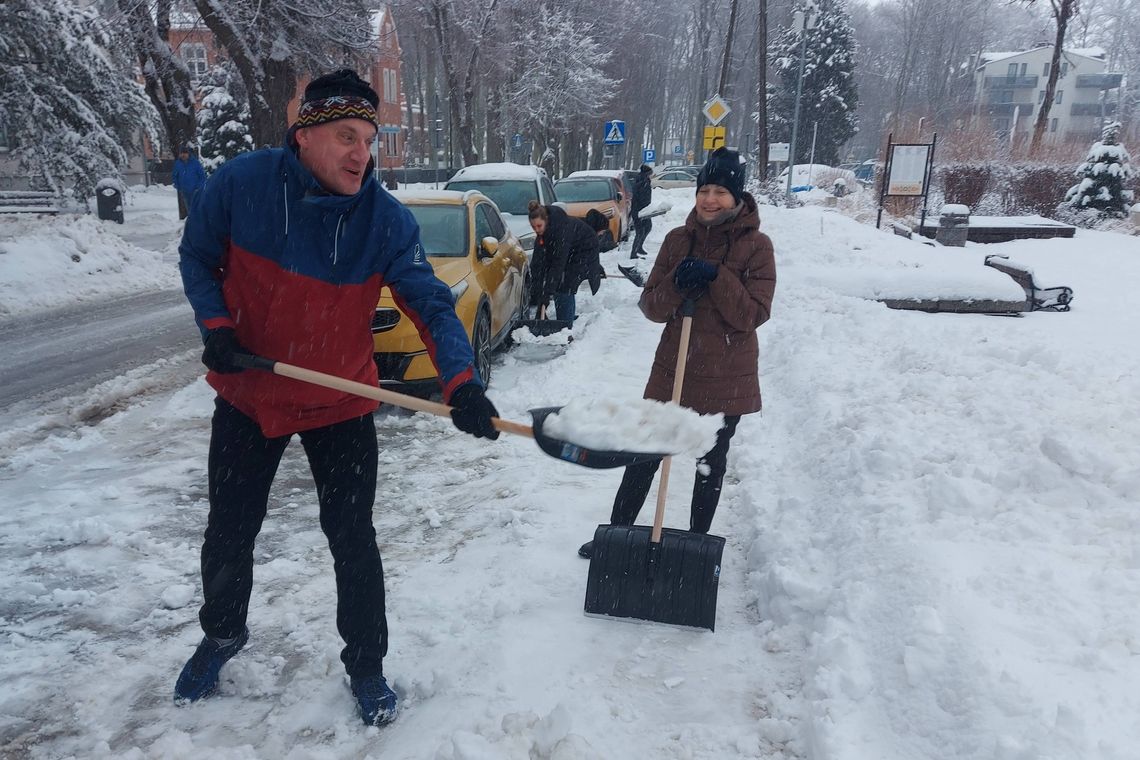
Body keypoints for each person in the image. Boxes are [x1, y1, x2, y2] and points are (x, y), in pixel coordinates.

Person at [175, 69, 501, 727]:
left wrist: (462, 382)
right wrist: (216, 326)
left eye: (369, 139)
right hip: (249, 392)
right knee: (230, 530)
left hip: (340, 400)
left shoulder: (384, 220)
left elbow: (431, 303)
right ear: (305, 134)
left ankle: (367, 664)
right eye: (347, 136)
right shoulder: (241, 185)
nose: (362, 153)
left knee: (353, 540)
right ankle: (223, 633)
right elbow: (197, 257)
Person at [578, 147, 776, 558]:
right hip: (673, 370)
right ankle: (616, 535)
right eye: (704, 190)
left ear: (737, 197)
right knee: (642, 456)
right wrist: (676, 284)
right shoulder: (677, 241)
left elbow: (752, 315)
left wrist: (717, 276)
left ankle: (695, 549)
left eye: (720, 192)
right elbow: (651, 307)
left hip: (726, 377)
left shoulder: (757, 247)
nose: (709, 199)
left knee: (709, 465)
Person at [527, 200, 601, 322]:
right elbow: (537, 265)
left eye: (539, 226)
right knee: (558, 282)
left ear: (546, 220)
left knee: (565, 285)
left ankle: (565, 323)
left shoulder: (561, 230)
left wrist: (547, 294)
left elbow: (557, 264)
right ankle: (566, 316)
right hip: (570, 250)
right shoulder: (544, 233)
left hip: (584, 250)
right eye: (533, 227)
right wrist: (539, 297)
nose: (537, 230)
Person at [172, 144, 206, 220]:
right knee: (189, 209)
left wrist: (198, 187)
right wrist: (177, 185)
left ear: (188, 154)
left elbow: (202, 176)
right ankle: (192, 222)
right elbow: (174, 175)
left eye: (185, 153)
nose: (183, 155)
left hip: (195, 191)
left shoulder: (195, 163)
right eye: (181, 153)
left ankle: (199, 221)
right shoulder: (178, 163)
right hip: (184, 191)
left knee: (196, 208)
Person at [629, 163, 653, 259]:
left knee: (648, 227)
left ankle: (639, 247)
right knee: (640, 232)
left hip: (644, 210)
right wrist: (642, 208)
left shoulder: (644, 180)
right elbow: (641, 197)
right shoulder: (642, 182)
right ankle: (633, 253)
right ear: (647, 173)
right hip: (639, 211)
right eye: (650, 173)